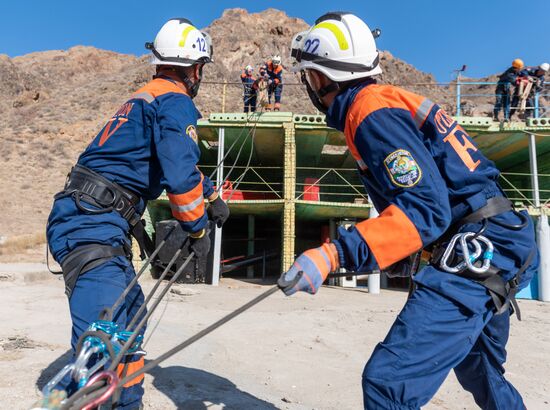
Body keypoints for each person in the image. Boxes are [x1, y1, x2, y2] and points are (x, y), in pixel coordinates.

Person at [282, 12, 539, 410]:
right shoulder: (385, 103)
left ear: (319, 77)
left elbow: (425, 209)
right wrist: (406, 255)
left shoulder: (368, 113)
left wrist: (333, 254)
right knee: (482, 372)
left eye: (309, 77)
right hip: (502, 237)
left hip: (478, 247)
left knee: (388, 383)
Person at [46, 18, 229, 409]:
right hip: (92, 222)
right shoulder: (175, 101)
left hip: (91, 216)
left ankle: (128, 403)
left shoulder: (145, 98)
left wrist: (211, 197)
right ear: (195, 69)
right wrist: (197, 230)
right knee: (105, 331)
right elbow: (179, 173)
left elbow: (172, 162)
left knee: (131, 320)